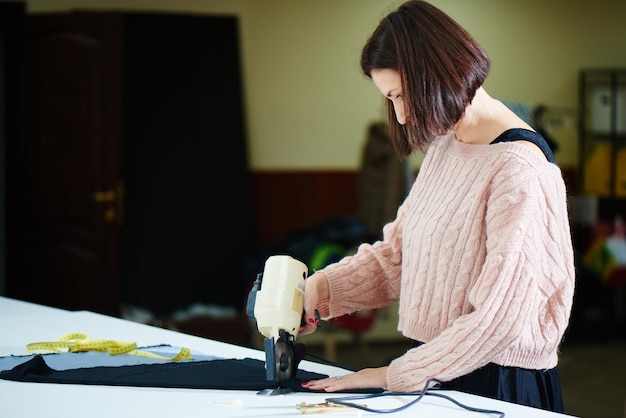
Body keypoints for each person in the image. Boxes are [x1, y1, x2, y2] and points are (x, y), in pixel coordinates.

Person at [298, 0, 575, 413]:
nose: (403, 115)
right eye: (390, 99)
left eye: (401, 95)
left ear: (440, 74)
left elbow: (499, 320)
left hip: (495, 382)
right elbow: (399, 257)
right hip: (436, 367)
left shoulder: (519, 170)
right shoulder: (446, 148)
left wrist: (395, 374)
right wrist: (320, 288)